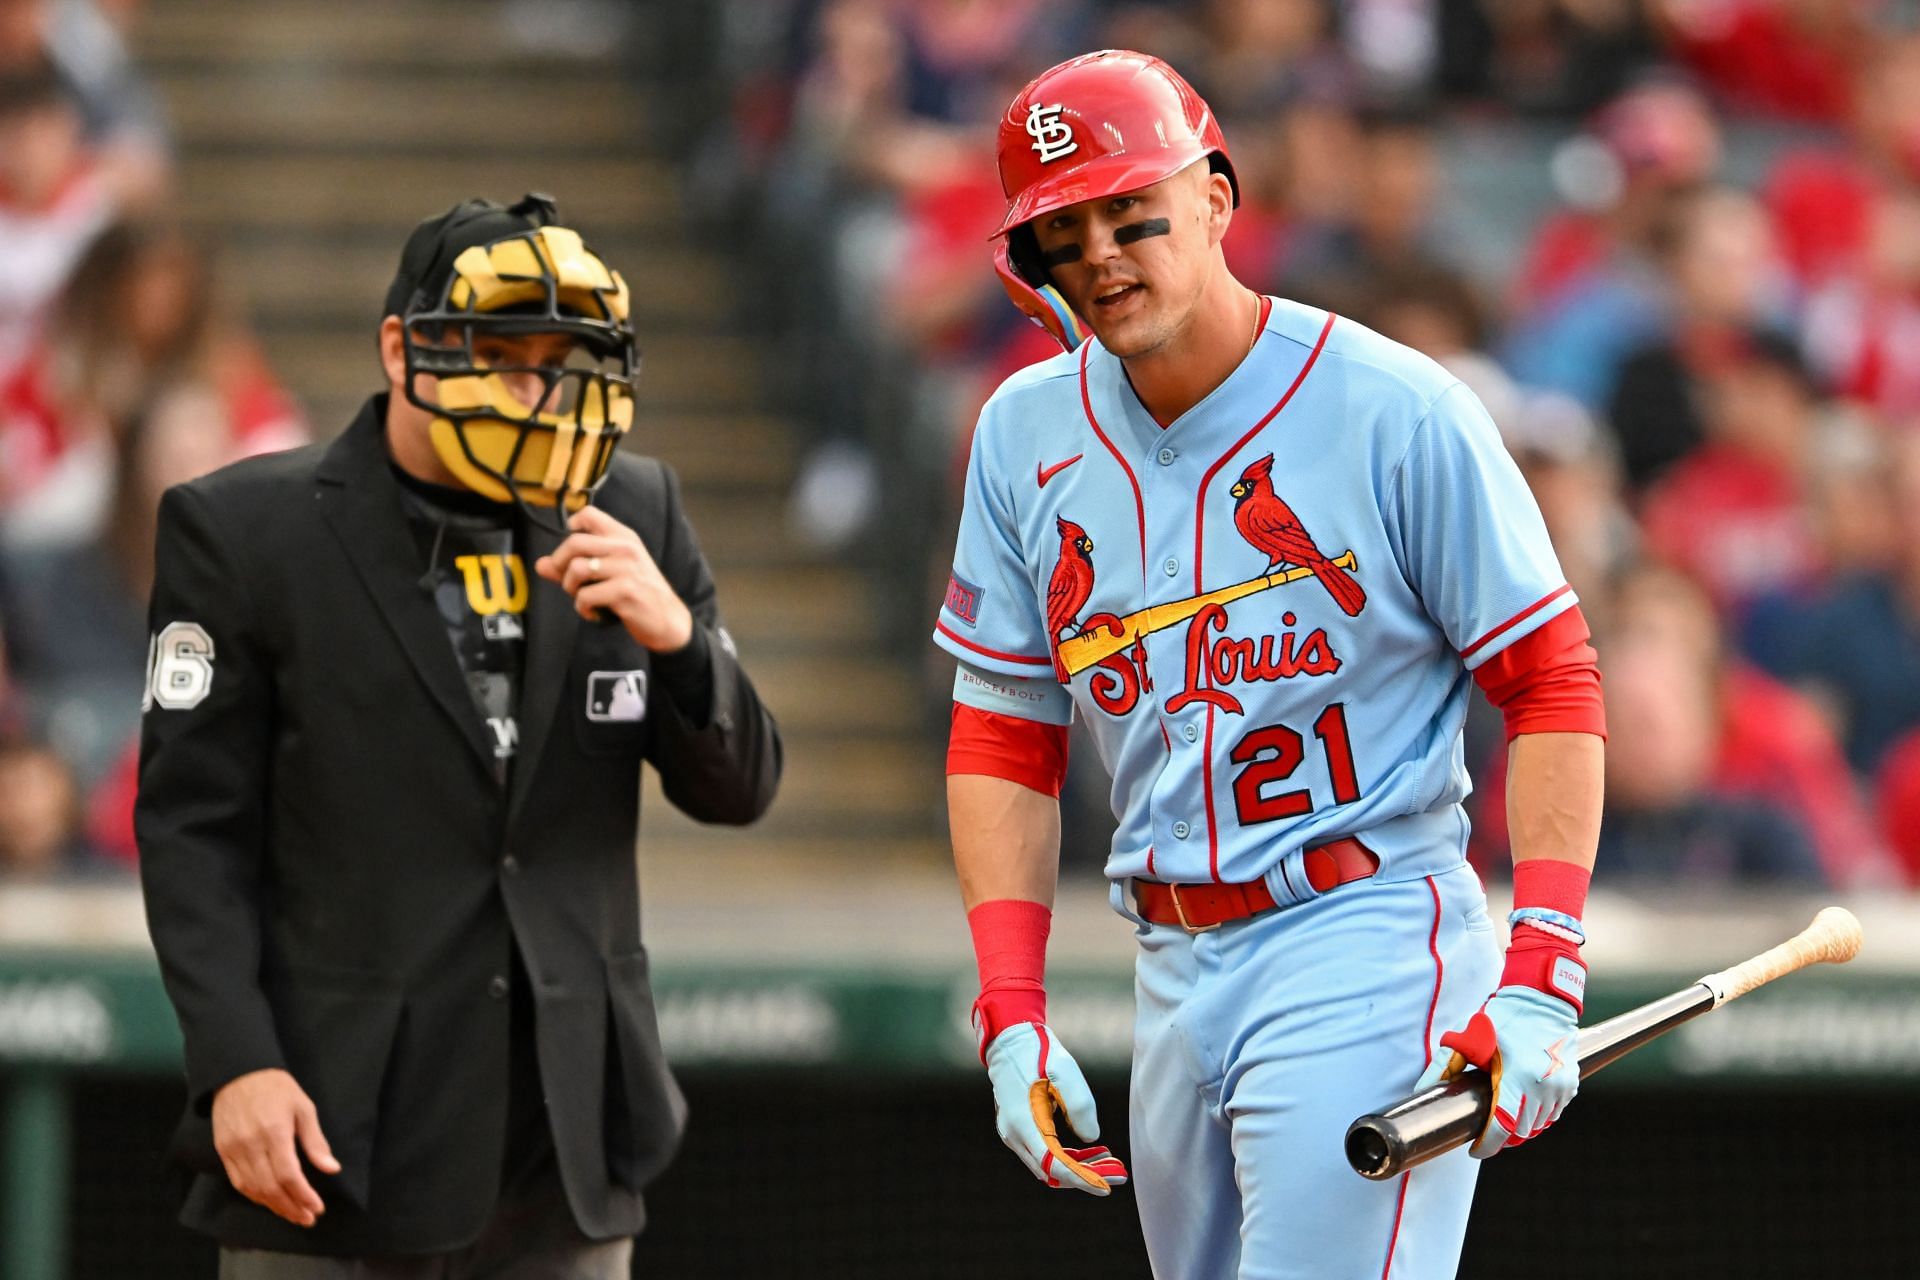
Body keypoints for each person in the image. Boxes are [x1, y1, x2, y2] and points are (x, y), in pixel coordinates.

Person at [933, 53, 1605, 1279]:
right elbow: (1003, 729)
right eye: (1063, 230)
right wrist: (1010, 1007)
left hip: (1360, 929)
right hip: (1167, 959)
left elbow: (1551, 679)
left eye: (1131, 211)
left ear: (1216, 202)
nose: (1102, 254)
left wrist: (1542, 964)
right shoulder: (1022, 432)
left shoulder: (1397, 408)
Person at [136, 194, 782, 1276]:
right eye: (502, 355)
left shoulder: (636, 510)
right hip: (332, 1143)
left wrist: (678, 639)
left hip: (566, 1144)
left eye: (553, 363)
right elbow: (192, 832)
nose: (533, 390)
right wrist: (235, 1061)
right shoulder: (243, 531)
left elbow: (741, 785)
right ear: (402, 348)